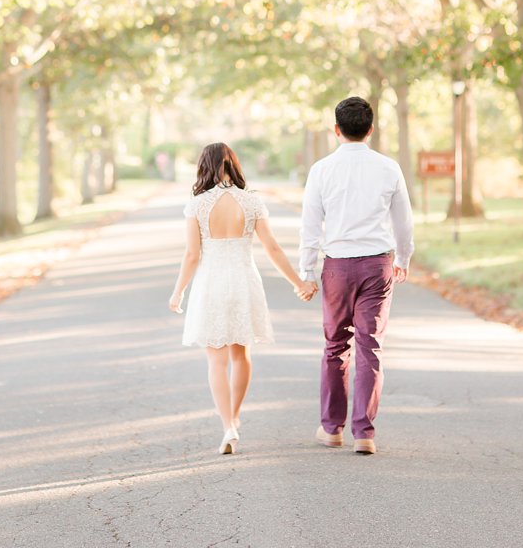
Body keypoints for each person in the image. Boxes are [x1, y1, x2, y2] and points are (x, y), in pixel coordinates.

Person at [169, 143, 313, 455]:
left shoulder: (197, 204)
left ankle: (227, 426)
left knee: (216, 360)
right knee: (241, 356)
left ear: (204, 166)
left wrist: (178, 290)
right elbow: (272, 248)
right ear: (233, 164)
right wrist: (298, 282)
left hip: (211, 283)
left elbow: (192, 255)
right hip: (244, 280)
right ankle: (235, 416)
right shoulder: (251, 202)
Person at [297, 95, 415, 455]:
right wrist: (404, 258)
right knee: (370, 347)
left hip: (337, 266)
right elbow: (403, 221)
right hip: (377, 264)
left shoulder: (321, 170)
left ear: (336, 130)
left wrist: (307, 270)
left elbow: (310, 225)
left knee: (335, 346)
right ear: (371, 130)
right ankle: (364, 433)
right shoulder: (388, 167)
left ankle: (332, 428)